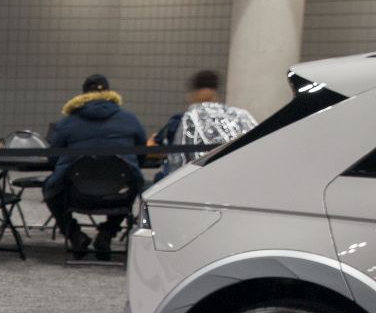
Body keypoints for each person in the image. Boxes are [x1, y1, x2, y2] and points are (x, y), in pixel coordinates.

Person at [43, 74, 146, 260]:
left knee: (50, 189)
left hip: (77, 194)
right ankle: (107, 232)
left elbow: (53, 158)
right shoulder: (130, 119)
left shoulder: (67, 122)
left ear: (83, 95)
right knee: (132, 183)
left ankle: (75, 235)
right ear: (108, 92)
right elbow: (141, 155)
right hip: (118, 196)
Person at [155, 69, 256, 179]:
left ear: (193, 94)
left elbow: (161, 150)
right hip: (239, 178)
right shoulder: (240, 117)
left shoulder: (183, 120)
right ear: (216, 94)